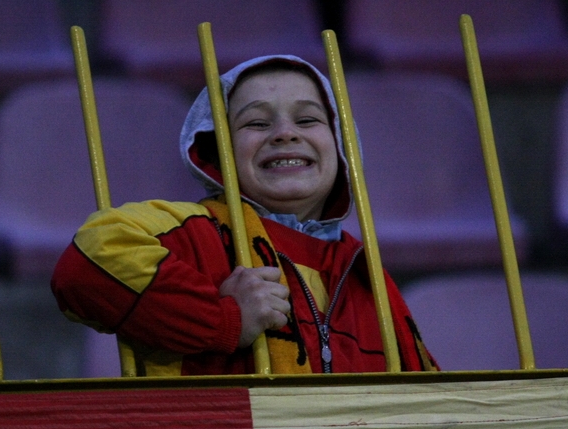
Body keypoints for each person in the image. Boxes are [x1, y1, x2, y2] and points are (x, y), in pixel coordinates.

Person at [51, 55, 437, 376]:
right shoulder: (193, 232)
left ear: (343, 146)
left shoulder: (366, 273)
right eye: (256, 123)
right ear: (219, 152)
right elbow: (84, 265)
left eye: (308, 120)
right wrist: (225, 321)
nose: (285, 133)